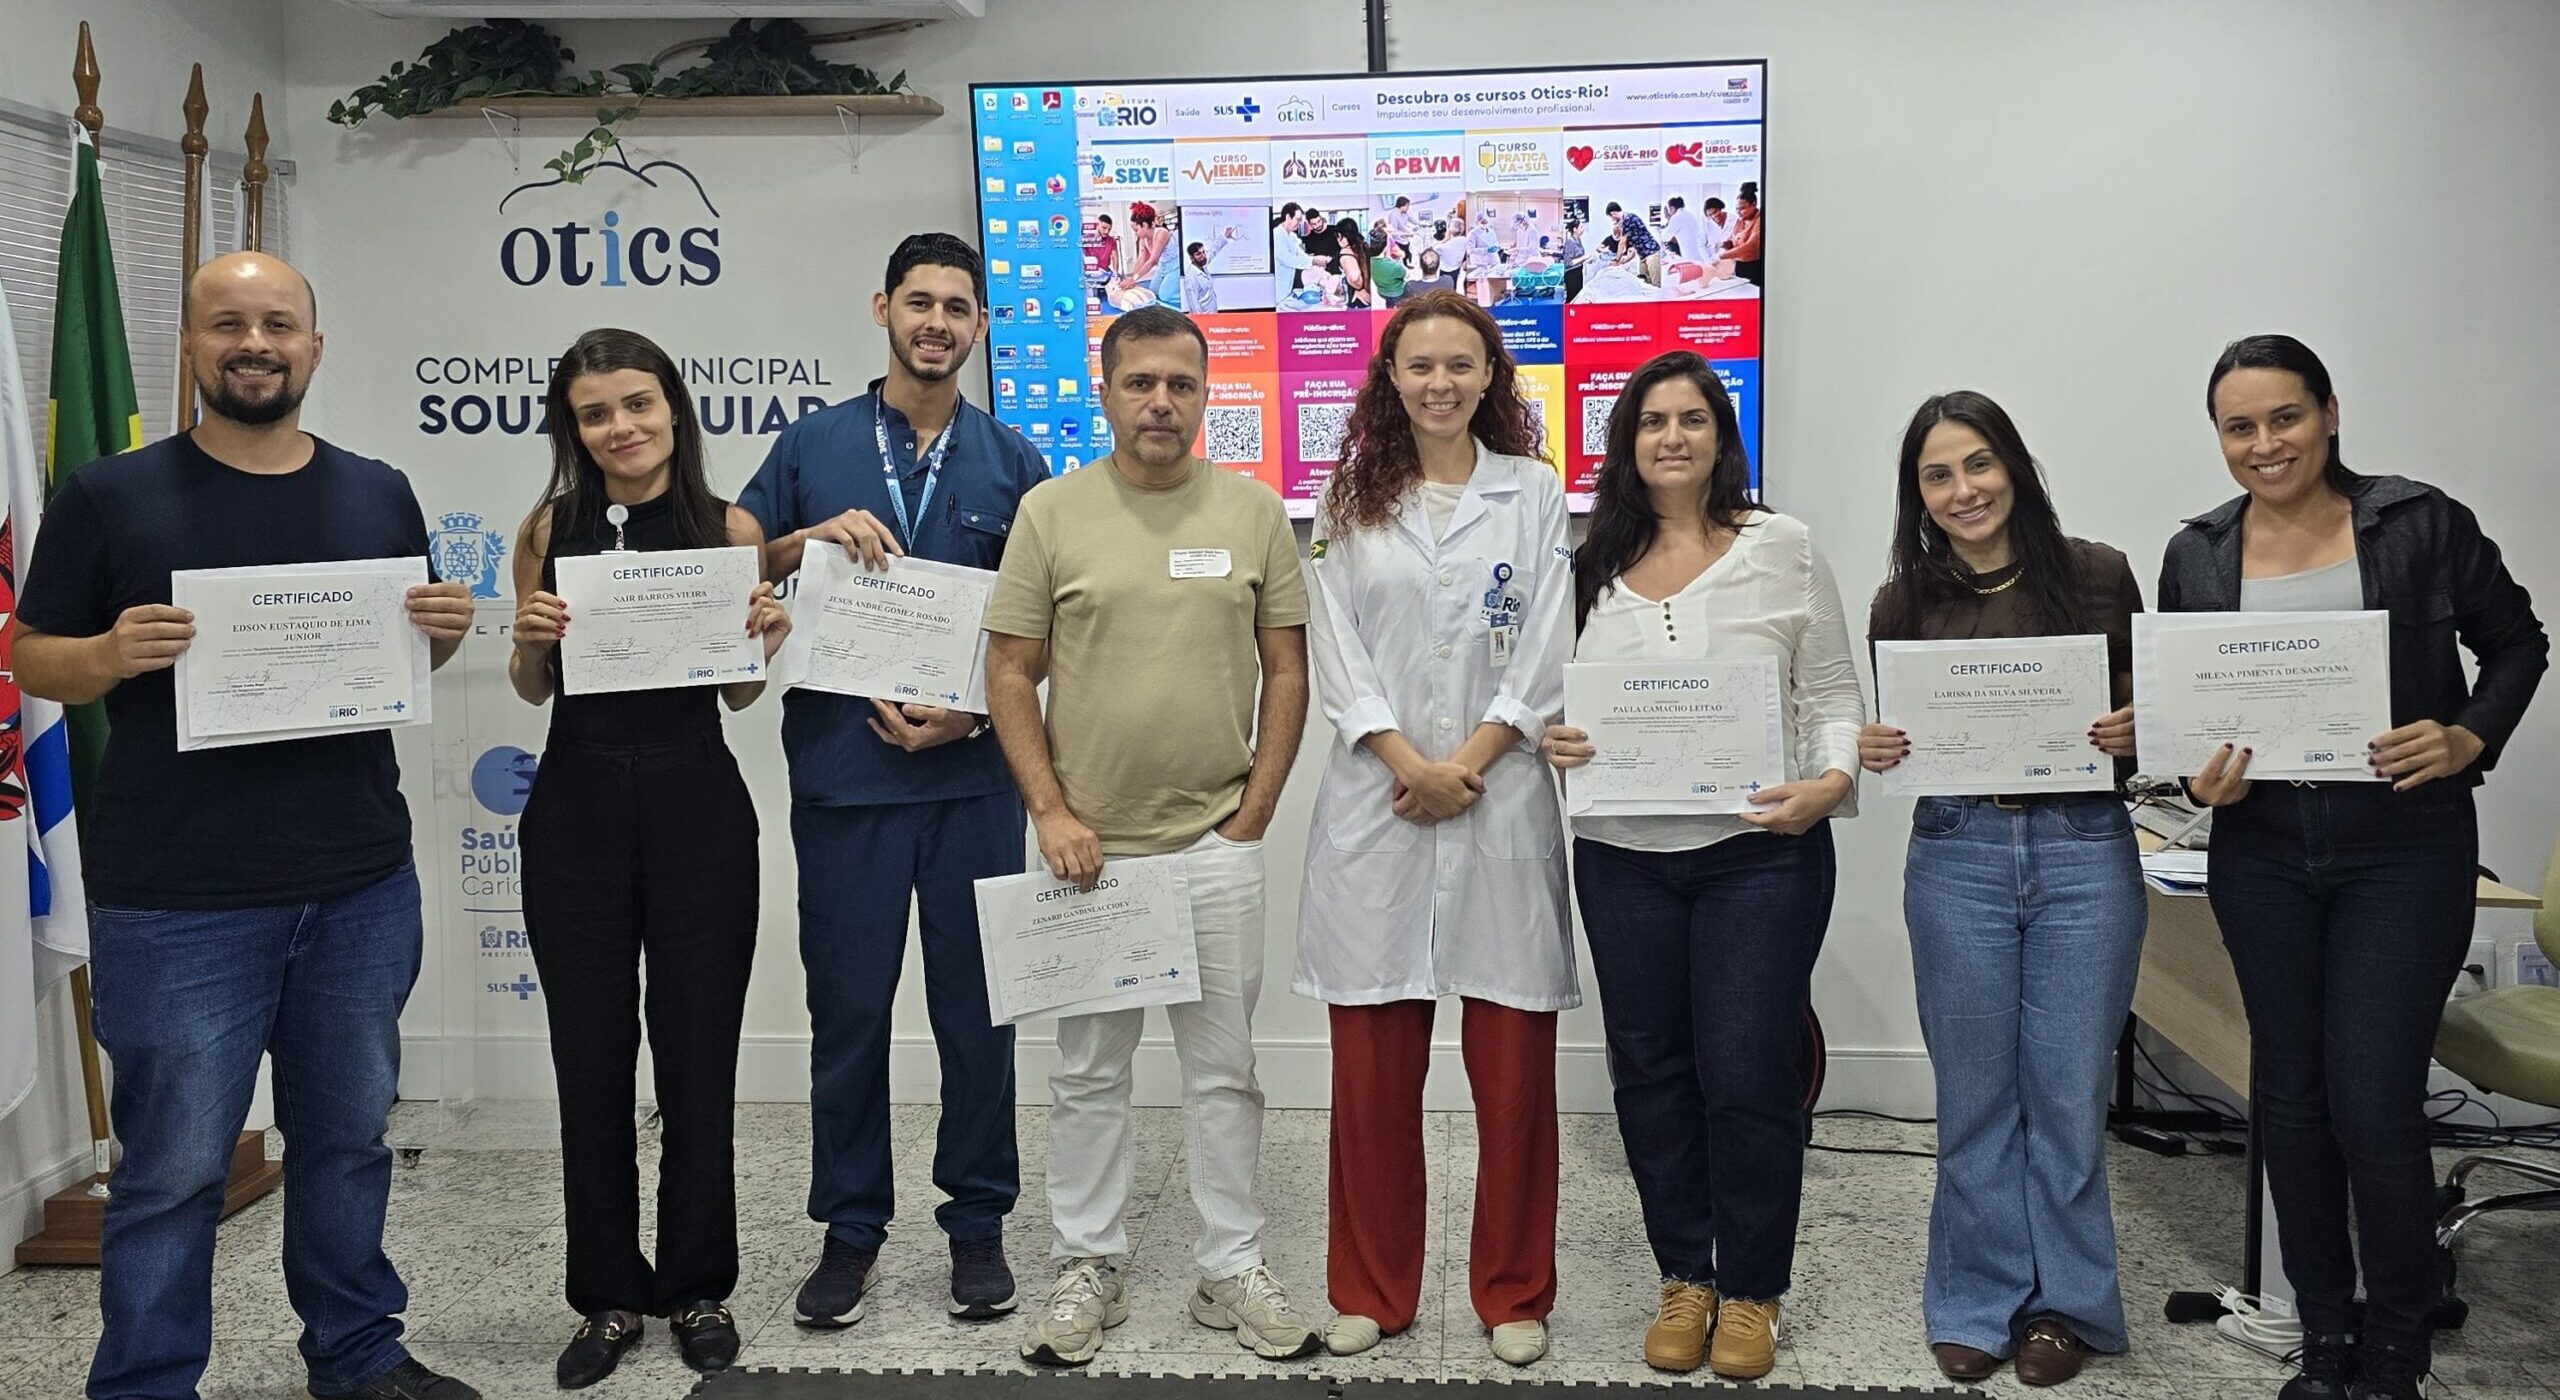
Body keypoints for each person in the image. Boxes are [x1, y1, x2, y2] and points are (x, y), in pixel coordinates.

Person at [13, 251, 480, 1400]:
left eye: (279, 323)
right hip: (176, 898)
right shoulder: (108, 495)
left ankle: (358, 1355)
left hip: (361, 884)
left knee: (349, 1142)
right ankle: (146, 1381)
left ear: (315, 347)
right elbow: (29, 652)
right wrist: (110, 655)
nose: (255, 343)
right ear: (194, 344)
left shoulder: (377, 488)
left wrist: (445, 626)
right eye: (229, 324)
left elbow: (408, 657)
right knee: (172, 1172)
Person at [2162, 335, 2547, 1400]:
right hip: (2262, 851)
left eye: (2282, 416)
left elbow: (2517, 643)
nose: (2263, 443)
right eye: (2238, 426)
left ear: (2328, 412)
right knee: (2286, 1093)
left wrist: (2468, 735)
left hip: (2403, 850)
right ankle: (2322, 1331)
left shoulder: (2419, 522)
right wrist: (2203, 781)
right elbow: (2192, 721)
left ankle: (2398, 1341)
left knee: (2371, 1099)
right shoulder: (2195, 551)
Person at [983, 305, 1318, 1368]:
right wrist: (1050, 810)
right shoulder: (1051, 512)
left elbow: (1289, 667)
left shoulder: (1256, 511)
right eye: (1140, 383)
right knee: (1088, 1071)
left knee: (1223, 1070)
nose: (1160, 402)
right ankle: (1090, 1263)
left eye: (1179, 382)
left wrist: (1254, 811)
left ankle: (1230, 1265)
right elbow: (1006, 670)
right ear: (1107, 390)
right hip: (1091, 855)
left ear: (1206, 389)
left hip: (1214, 846)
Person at [738, 233, 1053, 1332]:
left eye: (956, 307)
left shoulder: (1013, 465)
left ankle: (977, 1222)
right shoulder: (811, 446)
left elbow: (1045, 624)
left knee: (977, 1018)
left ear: (977, 327)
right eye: (918, 302)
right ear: (882, 308)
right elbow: (734, 561)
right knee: (850, 1015)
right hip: (844, 781)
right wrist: (802, 537)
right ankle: (851, 1228)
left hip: (971, 781)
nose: (936, 322)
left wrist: (976, 712)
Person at [1540, 350, 1861, 1381]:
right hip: (1623, 858)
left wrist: (1828, 783)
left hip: (1758, 857)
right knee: (1651, 1073)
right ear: (1625, 445)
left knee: (1748, 1074)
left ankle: (1752, 1288)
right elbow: (1561, 702)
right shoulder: (1589, 561)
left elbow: (1832, 696)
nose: (1671, 436)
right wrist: (1560, 738)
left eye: (1691, 418)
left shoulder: (1783, 546)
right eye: (1650, 421)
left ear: (1722, 435)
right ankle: (1685, 1271)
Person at [506, 329, 790, 1387]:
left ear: (674, 406)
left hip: (697, 803)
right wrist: (533, 637)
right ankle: (609, 1294)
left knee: (698, 1052)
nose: (619, 426)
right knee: (589, 1061)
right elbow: (534, 687)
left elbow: (739, 694)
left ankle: (698, 1284)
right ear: (571, 428)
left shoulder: (729, 526)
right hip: (575, 802)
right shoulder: (547, 526)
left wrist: (762, 640)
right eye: (594, 412)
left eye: (637, 403)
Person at [1298, 291, 1573, 1367]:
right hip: (1380, 803)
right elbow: (1335, 648)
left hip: (1497, 799)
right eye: (1420, 365)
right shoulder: (1349, 499)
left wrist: (1469, 761)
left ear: (1491, 376)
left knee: (1511, 1076)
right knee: (1370, 1073)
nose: (1440, 383)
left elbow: (1546, 642)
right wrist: (1406, 760)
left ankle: (1513, 1287)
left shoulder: (1534, 493)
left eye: (1461, 364)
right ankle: (1371, 1285)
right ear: (1390, 377)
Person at [1858, 392, 2147, 1387]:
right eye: (1937, 475)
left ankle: (2064, 1306)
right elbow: (1898, 744)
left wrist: (2134, 731)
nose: (1961, 489)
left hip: (2083, 848)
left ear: (2012, 465)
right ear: (1919, 494)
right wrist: (1877, 746)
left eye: (1976, 464)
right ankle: (1977, 1302)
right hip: (1956, 849)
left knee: (2067, 1095)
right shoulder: (1900, 601)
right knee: (1974, 1093)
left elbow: (2154, 724)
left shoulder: (2101, 574)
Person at [1179, 226, 1239, 313]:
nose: (1203, 256)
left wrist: (1224, 236)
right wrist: (1201, 323)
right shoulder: (1191, 277)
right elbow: (1194, 305)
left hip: (1213, 314)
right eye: (1198, 254)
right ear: (1192, 258)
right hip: (1204, 318)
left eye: (1203, 252)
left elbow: (1213, 251)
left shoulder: (1202, 266)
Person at [1604, 201, 1662, 285]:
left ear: (1613, 213)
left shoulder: (1628, 218)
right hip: (1643, 255)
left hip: (1651, 252)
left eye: (1611, 217)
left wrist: (1617, 259)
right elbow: (1631, 247)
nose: (1612, 220)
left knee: (1656, 283)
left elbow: (1622, 242)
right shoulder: (1627, 223)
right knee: (1644, 284)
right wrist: (1625, 259)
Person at [1272, 203, 1315, 307]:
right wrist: (1313, 261)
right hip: (1277, 289)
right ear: (1287, 217)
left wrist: (1312, 261)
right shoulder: (1276, 234)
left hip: (1287, 288)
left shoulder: (1292, 236)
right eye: (1297, 219)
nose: (1299, 223)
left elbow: (1301, 255)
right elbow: (1287, 259)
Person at [1724, 185, 1763, 287]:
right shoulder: (1740, 220)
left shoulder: (1760, 220)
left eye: (1742, 208)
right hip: (1739, 265)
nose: (1738, 212)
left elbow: (1750, 246)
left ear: (1754, 204)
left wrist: (1721, 256)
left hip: (1754, 267)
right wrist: (1726, 245)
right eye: (1737, 209)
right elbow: (1733, 239)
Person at [1664, 195, 1706, 263]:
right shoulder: (1689, 214)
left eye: (1668, 210)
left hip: (1689, 255)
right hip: (1698, 253)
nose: (1668, 213)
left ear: (1672, 208)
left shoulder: (1676, 218)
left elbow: (1665, 237)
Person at [1370, 239, 1410, 307]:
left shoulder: (1368, 262)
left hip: (1382, 292)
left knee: (1389, 304)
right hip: (1397, 293)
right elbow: (1407, 275)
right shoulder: (1393, 266)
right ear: (1385, 247)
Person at [1558, 219, 1587, 302]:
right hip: (1571, 274)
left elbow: (1578, 256)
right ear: (1575, 229)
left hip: (1578, 272)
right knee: (1572, 298)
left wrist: (1587, 259)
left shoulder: (1578, 240)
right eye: (1581, 227)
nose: (1583, 229)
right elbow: (1568, 262)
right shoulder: (1570, 242)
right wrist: (1584, 258)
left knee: (1578, 297)